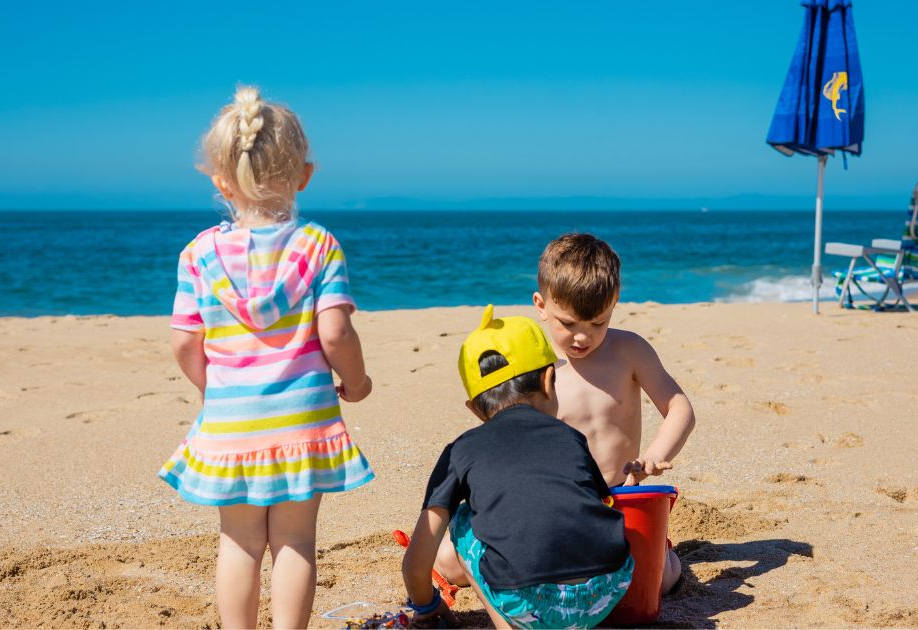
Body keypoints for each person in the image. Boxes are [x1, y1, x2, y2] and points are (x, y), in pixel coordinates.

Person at [158, 86, 374, 630]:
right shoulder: (318, 245)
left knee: (240, 541)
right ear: (303, 174)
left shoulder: (199, 253)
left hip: (233, 424)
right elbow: (335, 331)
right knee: (296, 540)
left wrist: (212, 390)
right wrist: (358, 379)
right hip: (303, 421)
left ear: (219, 179)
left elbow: (184, 341)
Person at [402, 305, 634, 629]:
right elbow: (598, 503)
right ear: (549, 379)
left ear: (474, 408)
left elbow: (416, 562)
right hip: (607, 589)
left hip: (528, 600)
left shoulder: (460, 451)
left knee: (462, 519)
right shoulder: (571, 438)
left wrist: (426, 605)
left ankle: (505, 625)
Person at [533, 233, 696, 594]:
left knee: (659, 582)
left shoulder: (628, 350)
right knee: (452, 561)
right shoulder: (534, 361)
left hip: (619, 497)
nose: (582, 337)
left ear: (614, 305)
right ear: (541, 305)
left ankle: (664, 554)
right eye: (569, 323)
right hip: (556, 502)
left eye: (598, 323)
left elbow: (679, 408)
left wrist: (655, 455)